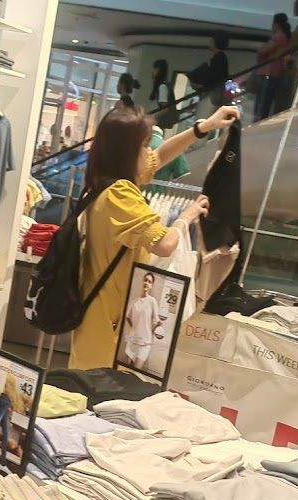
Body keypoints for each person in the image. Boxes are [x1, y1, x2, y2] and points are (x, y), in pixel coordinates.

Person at [69, 103, 239, 370]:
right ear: (128, 152)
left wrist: (203, 127)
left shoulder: (106, 181)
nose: (149, 151)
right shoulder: (120, 195)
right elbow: (164, 244)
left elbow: (159, 157)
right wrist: (187, 215)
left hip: (102, 316)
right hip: (108, 324)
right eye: (145, 145)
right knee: (94, 394)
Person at [256, 13, 292, 120]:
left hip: (271, 73)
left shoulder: (279, 37)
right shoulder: (284, 38)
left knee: (263, 104)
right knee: (266, 103)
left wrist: (261, 50)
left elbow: (262, 51)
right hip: (275, 74)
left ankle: (260, 123)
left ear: (276, 24)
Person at [124, 271, 161, 371]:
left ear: (151, 286)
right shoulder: (134, 301)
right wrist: (134, 327)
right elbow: (127, 316)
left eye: (149, 281)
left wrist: (152, 330)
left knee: (136, 373)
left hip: (144, 343)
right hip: (132, 339)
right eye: (145, 280)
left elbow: (157, 321)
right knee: (125, 371)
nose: (146, 283)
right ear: (142, 282)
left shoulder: (152, 301)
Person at [190, 32, 230, 119]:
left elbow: (213, 78)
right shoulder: (220, 57)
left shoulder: (218, 58)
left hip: (211, 96)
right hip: (214, 95)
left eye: (212, 40)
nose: (209, 42)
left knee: (202, 121)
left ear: (215, 42)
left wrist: (200, 85)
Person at [149, 59, 176, 129]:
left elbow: (165, 108)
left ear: (159, 70)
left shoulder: (162, 87)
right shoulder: (164, 85)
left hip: (159, 123)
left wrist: (152, 118)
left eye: (154, 68)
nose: (152, 71)